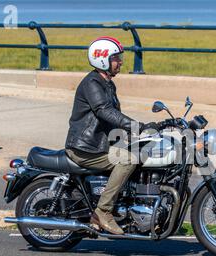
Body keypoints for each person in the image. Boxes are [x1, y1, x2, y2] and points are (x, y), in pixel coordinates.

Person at [65, 36, 158, 235]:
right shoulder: (92, 82)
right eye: (116, 58)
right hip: (86, 147)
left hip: (99, 144)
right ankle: (103, 211)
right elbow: (104, 111)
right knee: (128, 159)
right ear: (102, 59)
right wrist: (136, 126)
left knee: (142, 152)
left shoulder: (107, 83)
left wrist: (135, 133)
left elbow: (112, 118)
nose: (120, 62)